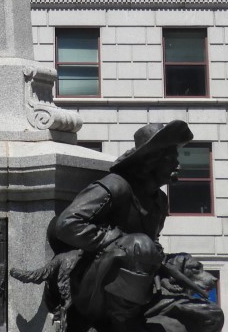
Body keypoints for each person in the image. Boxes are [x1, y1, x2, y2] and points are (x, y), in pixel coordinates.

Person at [47, 120, 214, 332]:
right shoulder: (115, 186)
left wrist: (166, 267)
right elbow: (67, 224)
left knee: (209, 316)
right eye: (172, 158)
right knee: (139, 244)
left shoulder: (160, 201)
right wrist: (121, 241)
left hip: (140, 292)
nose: (177, 164)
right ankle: (122, 323)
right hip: (95, 289)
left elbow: (152, 247)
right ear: (152, 160)